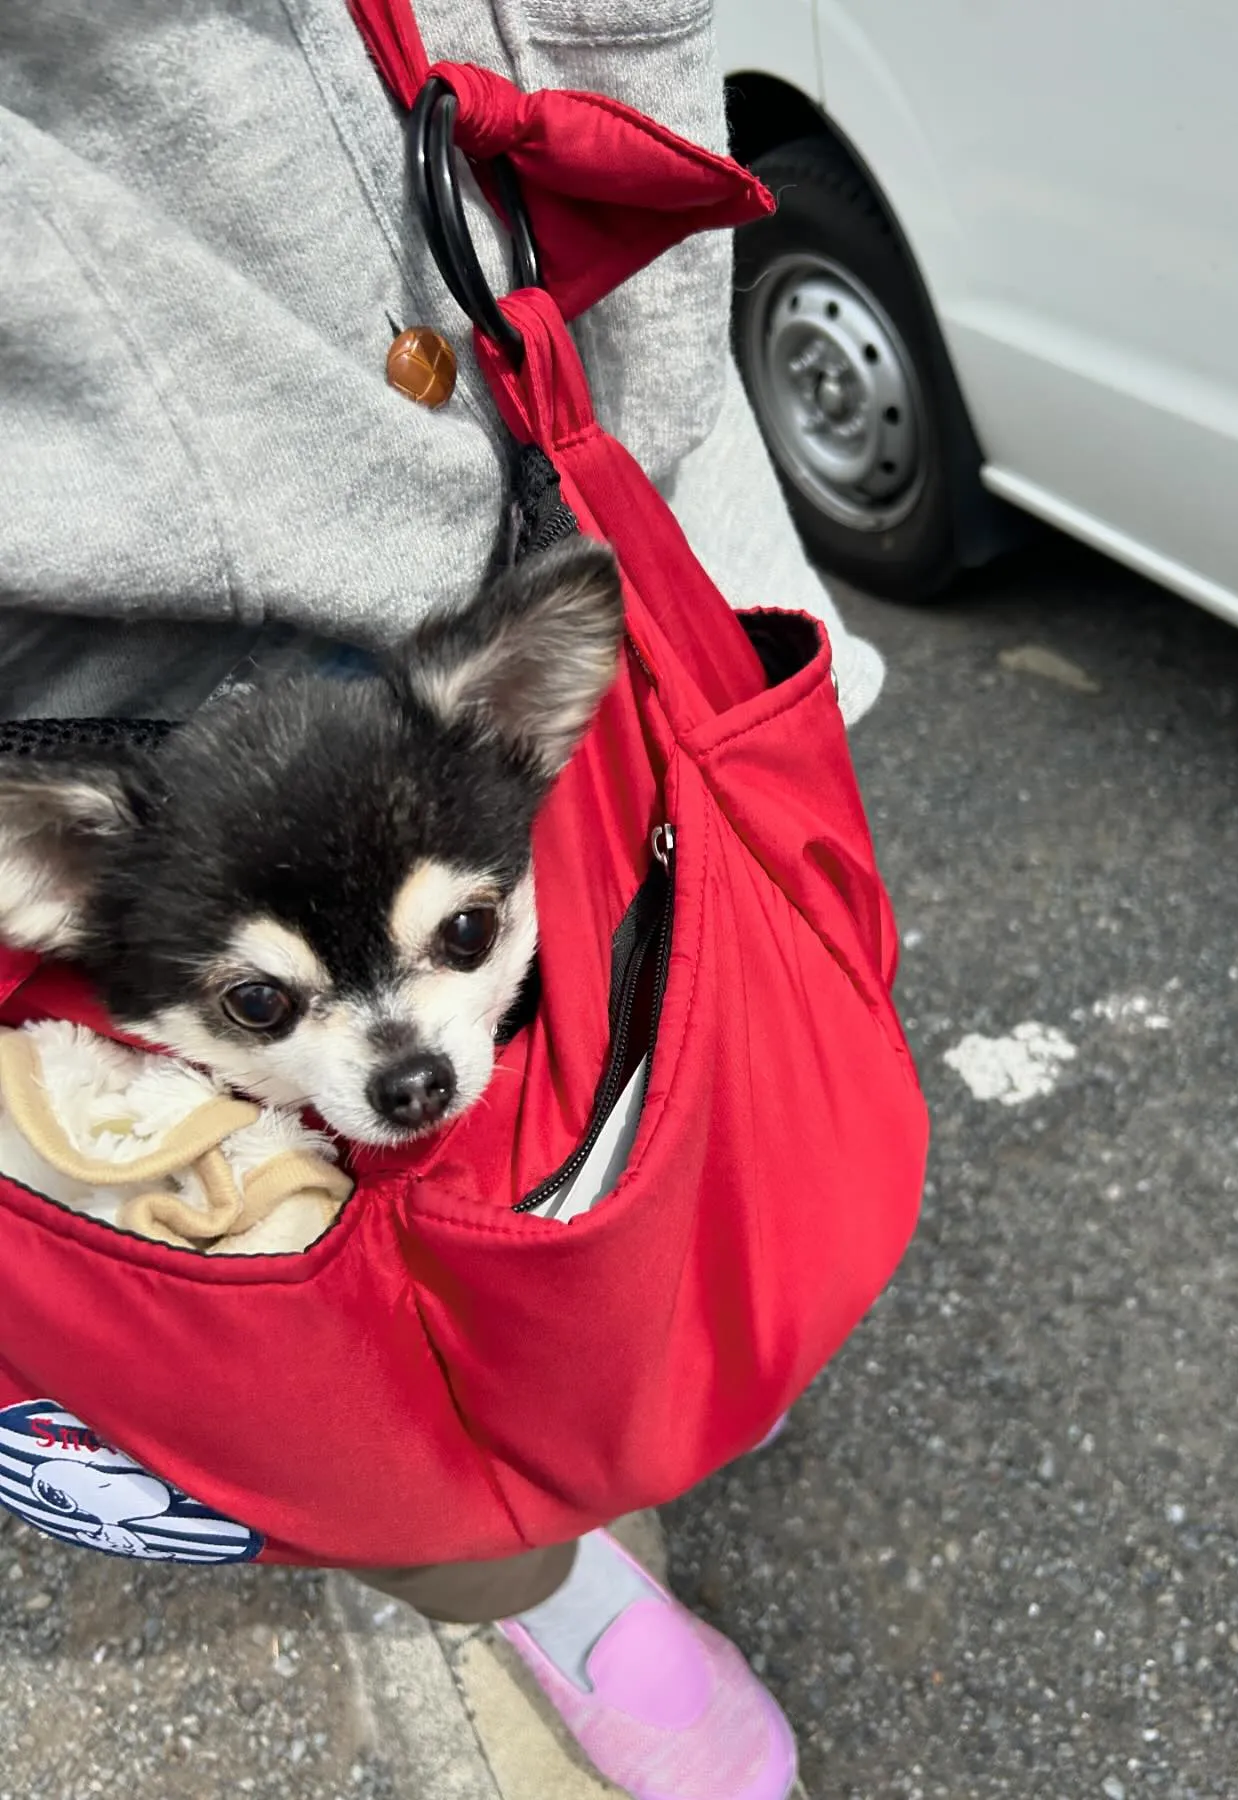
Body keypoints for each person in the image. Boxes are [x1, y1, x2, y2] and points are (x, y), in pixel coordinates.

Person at [0, 6, 885, 1795]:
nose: (406, 1057)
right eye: (269, 1001)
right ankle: (548, 1592)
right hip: (97, 628)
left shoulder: (524, 718)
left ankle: (701, 1351)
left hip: (595, 500)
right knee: (339, 1403)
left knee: (724, 1107)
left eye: (455, 944)